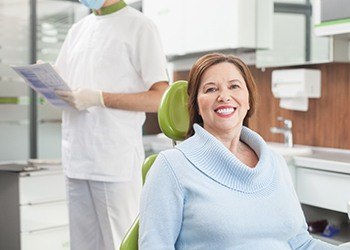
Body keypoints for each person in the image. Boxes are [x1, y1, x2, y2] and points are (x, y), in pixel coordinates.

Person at [138, 53, 345, 249]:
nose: (224, 96)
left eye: (234, 86)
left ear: (248, 100)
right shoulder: (171, 167)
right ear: (196, 105)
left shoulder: (275, 162)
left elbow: (301, 244)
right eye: (211, 89)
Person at [53, 0, 169, 249]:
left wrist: (100, 98)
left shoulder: (140, 26)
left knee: (120, 243)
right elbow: (62, 83)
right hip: (76, 158)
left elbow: (160, 98)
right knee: (81, 244)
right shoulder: (77, 30)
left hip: (113, 162)